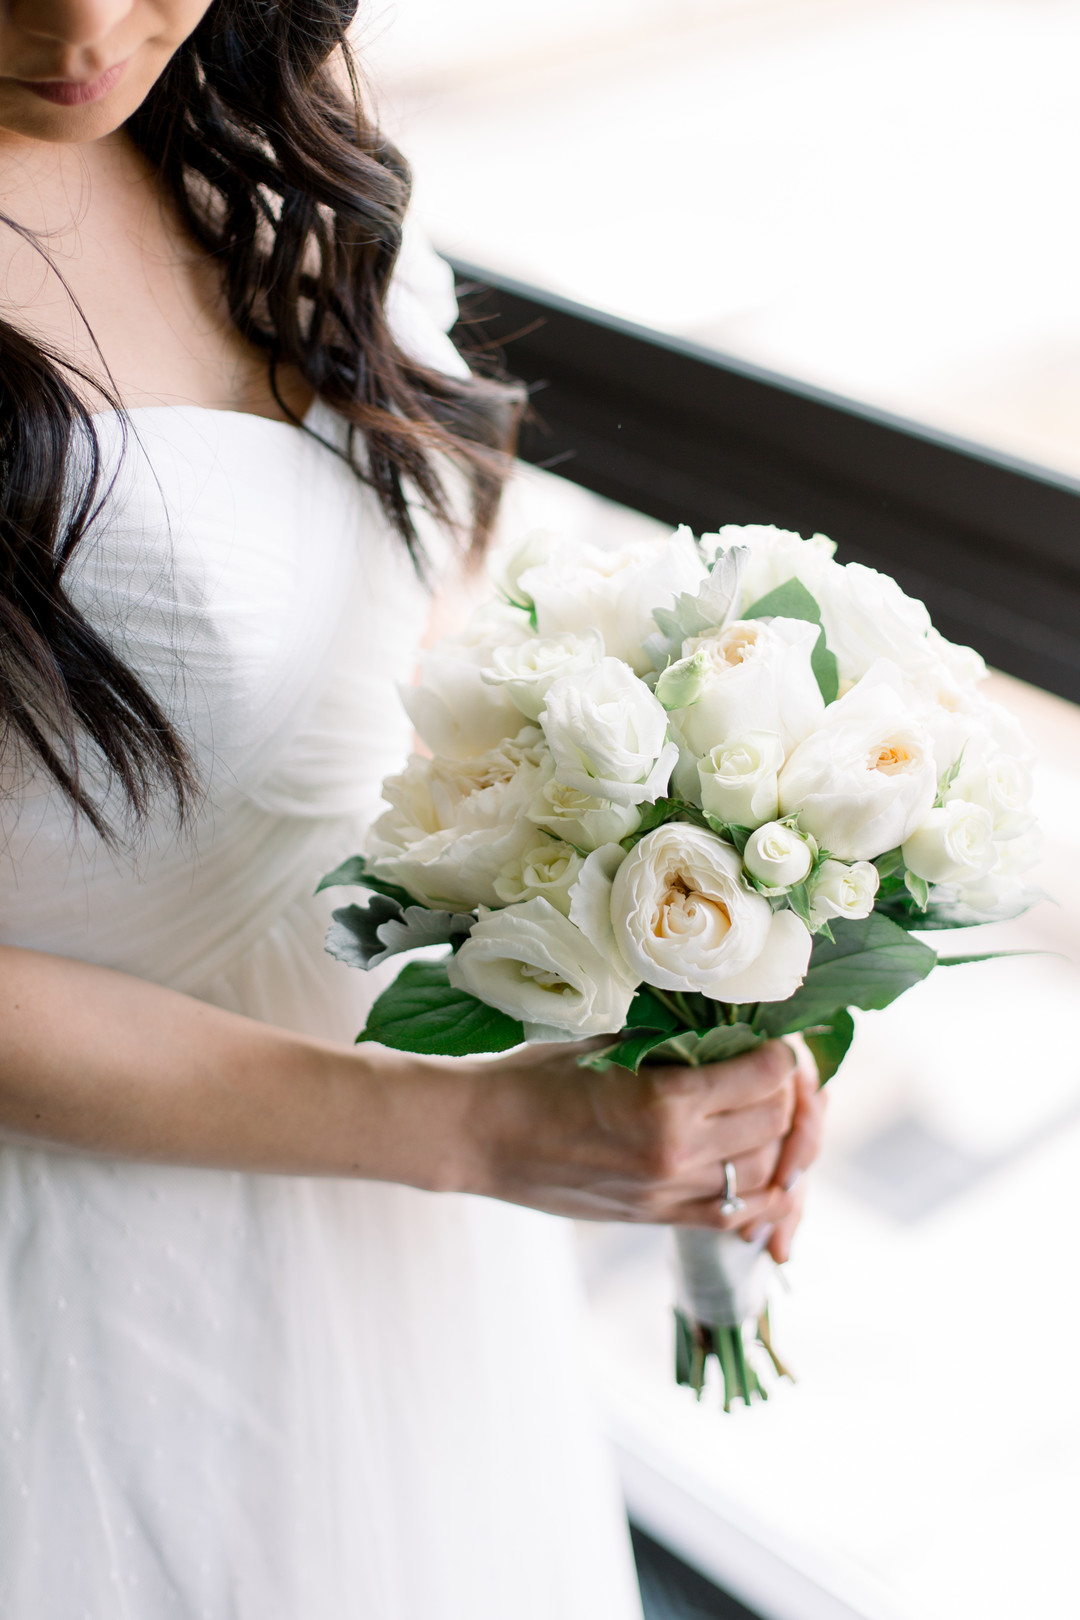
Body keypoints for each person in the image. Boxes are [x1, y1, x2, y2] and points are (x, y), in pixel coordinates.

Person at [0, 3, 826, 1615]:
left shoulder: (252, 122)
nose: (88, 23)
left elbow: (409, 657)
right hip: (107, 1243)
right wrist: (472, 1128)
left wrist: (635, 953)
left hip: (431, 1217)